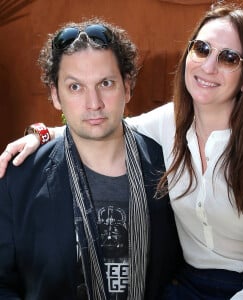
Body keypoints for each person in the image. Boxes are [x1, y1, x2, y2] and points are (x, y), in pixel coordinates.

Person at [1, 2, 243, 299]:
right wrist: (41, 133)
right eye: (202, 49)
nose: (209, 66)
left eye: (229, 58)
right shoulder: (169, 123)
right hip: (189, 287)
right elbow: (103, 123)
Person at [0, 18, 183, 300]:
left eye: (106, 83)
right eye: (75, 87)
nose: (93, 103)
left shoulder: (167, 168)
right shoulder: (20, 177)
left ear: (127, 87)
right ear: (55, 95)